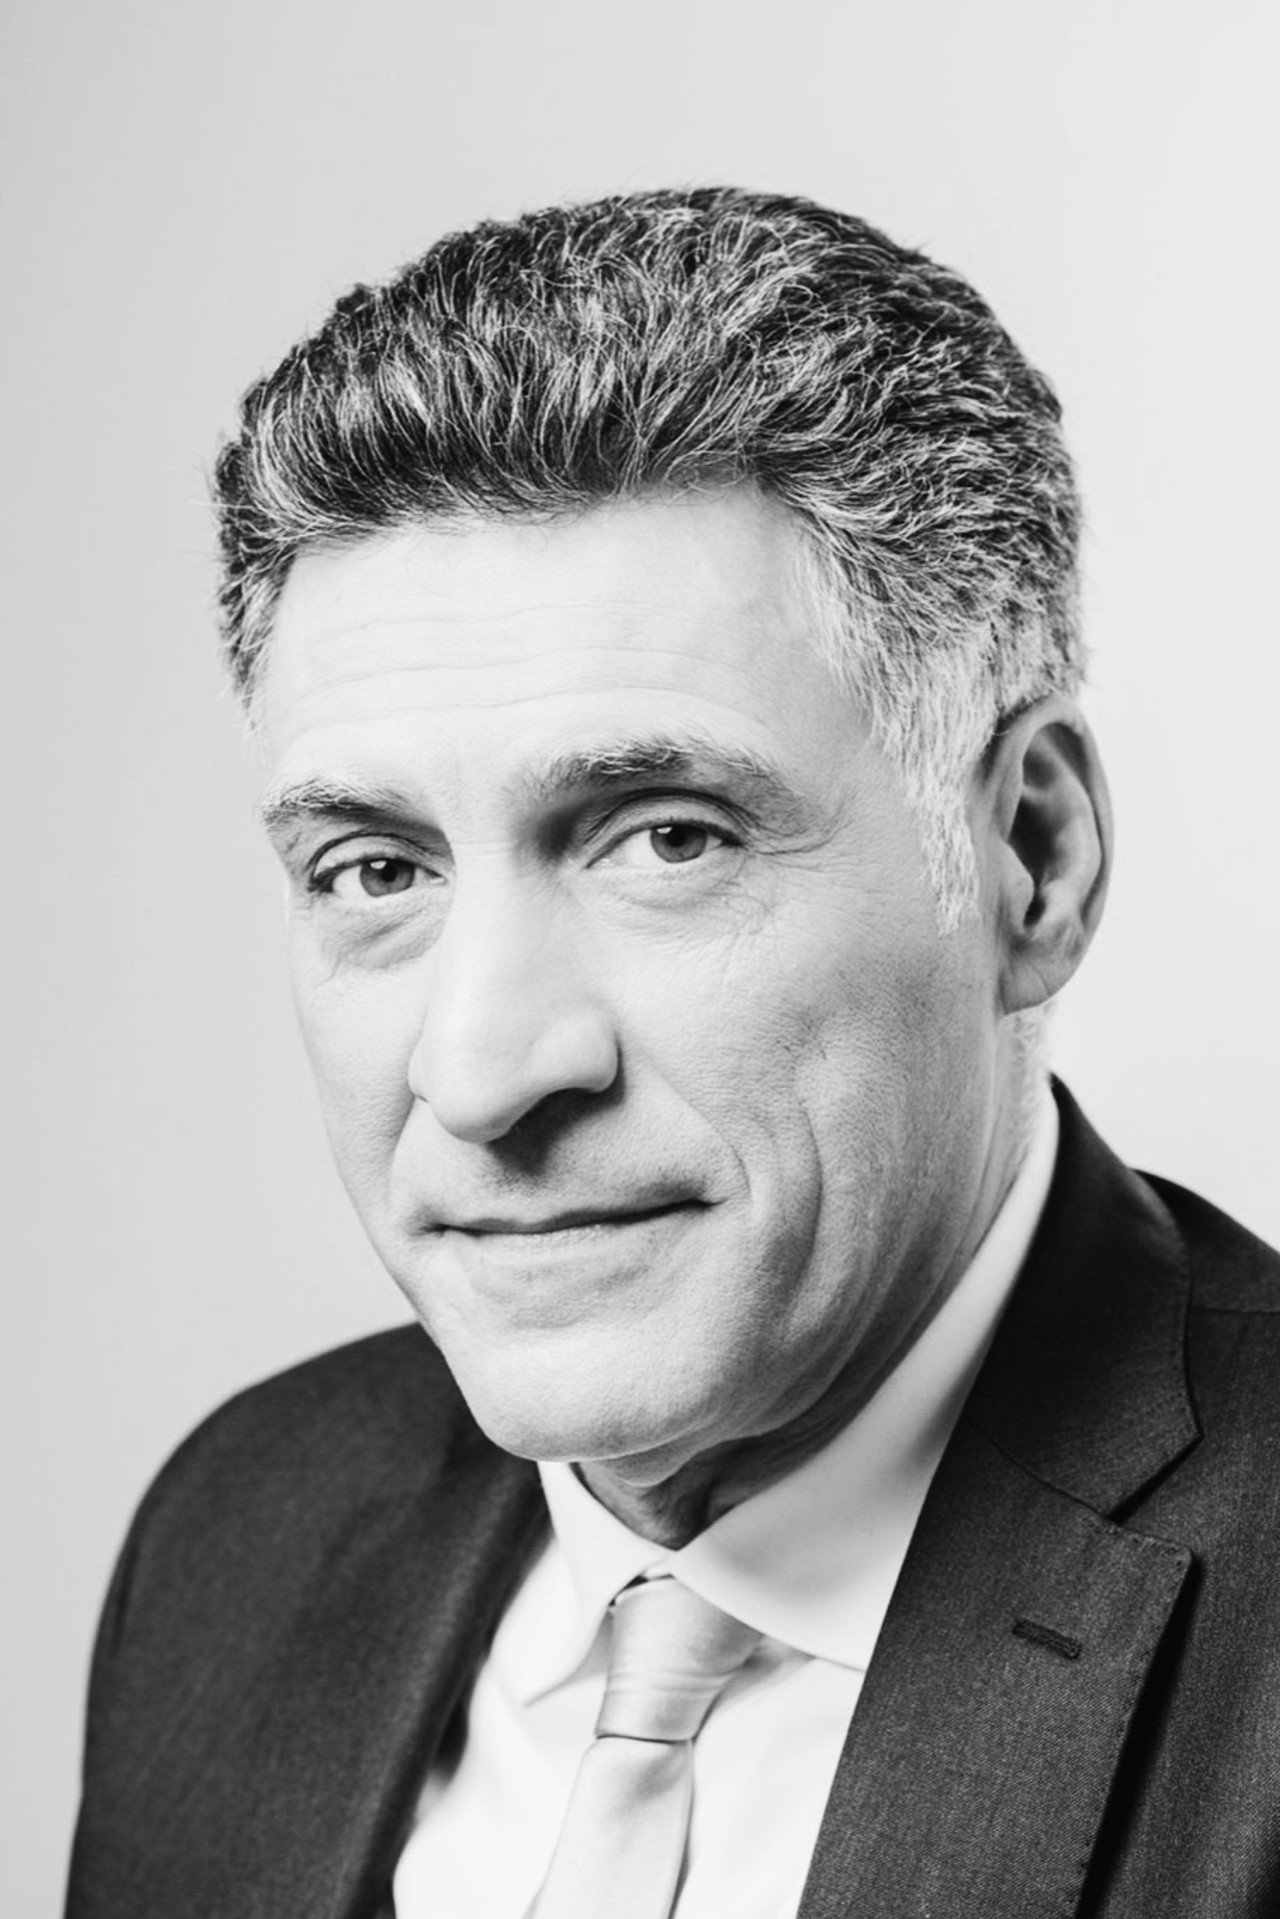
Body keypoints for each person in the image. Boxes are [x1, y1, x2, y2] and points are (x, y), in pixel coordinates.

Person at [65, 188, 1280, 1919]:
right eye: (377, 871)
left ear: (1032, 859)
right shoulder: (239, 1541)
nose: (482, 1072)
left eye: (667, 837)